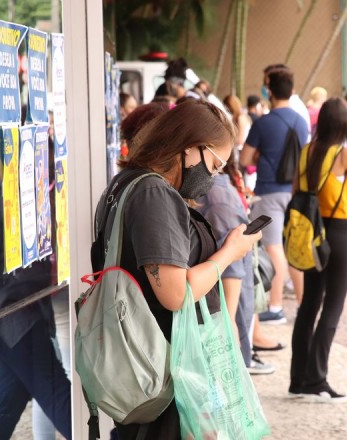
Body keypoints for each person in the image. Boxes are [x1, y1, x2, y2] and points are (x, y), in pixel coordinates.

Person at [94, 100, 260, 438]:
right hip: (165, 365)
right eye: (214, 164)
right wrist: (230, 252)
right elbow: (176, 294)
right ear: (188, 148)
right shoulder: (154, 193)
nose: (213, 176)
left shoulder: (124, 183)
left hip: (145, 361)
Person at [0, 136, 72, 439]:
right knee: (58, 394)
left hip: (32, 309)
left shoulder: (29, 196)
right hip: (11, 317)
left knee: (9, 402)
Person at [288, 98, 347, 403]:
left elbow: (296, 190)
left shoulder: (306, 151)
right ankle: (317, 377)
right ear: (344, 125)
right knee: (333, 305)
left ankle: (298, 378)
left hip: (311, 231)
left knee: (309, 303)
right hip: (337, 233)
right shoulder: (346, 154)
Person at [240, 68, 310, 320]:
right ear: (291, 91)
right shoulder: (302, 123)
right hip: (296, 192)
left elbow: (245, 157)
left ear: (269, 91)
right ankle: (304, 306)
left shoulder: (264, 123)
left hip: (268, 192)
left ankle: (276, 307)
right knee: (293, 249)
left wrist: (261, 156)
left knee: (272, 248)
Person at [197, 162, 274, 375]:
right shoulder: (216, 192)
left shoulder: (217, 194)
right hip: (217, 309)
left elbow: (232, 268)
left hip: (221, 309)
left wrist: (229, 321)